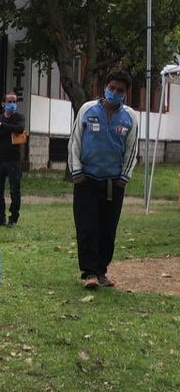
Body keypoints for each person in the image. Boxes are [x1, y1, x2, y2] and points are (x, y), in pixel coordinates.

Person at [68, 68, 139, 289]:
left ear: (126, 93)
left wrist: (124, 177)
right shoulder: (88, 110)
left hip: (113, 183)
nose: (115, 92)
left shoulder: (130, 117)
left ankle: (102, 271)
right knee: (87, 227)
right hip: (86, 180)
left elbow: (132, 148)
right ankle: (89, 273)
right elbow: (75, 142)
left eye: (120, 90)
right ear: (104, 88)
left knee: (108, 229)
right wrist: (77, 172)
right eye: (112, 88)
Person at [0, 92, 26, 226]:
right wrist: (8, 130)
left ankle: (13, 218)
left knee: (15, 190)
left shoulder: (19, 117)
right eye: (9, 102)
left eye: (14, 102)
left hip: (14, 160)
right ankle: (0, 217)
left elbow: (20, 129)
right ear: (3, 104)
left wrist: (3, 127)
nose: (12, 104)